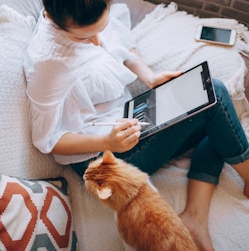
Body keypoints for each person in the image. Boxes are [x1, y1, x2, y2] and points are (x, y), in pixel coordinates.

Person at [23, 0, 249, 250]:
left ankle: (194, 216)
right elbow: (47, 140)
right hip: (103, 157)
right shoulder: (48, 64)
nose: (98, 42)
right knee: (215, 95)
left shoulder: (90, 13)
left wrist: (150, 77)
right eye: (85, 38)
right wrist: (107, 141)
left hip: (129, 120)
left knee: (210, 110)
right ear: (55, 21)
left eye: (101, 29)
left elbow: (123, 48)